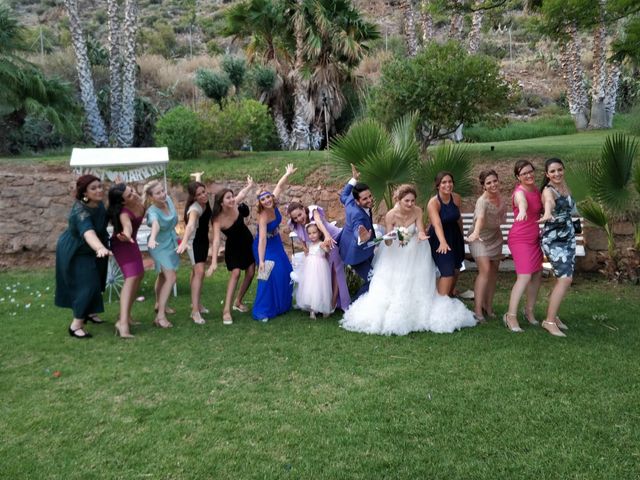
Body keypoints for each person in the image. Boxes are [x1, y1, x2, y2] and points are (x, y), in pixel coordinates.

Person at [340, 184, 476, 335]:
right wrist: (392, 237)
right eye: (407, 201)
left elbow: (421, 230)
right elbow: (388, 242)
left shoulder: (417, 211)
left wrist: (422, 235)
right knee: (394, 282)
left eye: (413, 201)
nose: (411, 204)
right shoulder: (391, 215)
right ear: (399, 200)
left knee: (417, 281)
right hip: (395, 253)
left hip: (417, 251)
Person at [55, 174, 111, 339]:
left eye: (100, 186)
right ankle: (76, 325)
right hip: (77, 250)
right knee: (87, 284)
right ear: (84, 193)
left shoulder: (98, 204)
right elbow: (88, 233)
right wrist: (99, 247)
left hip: (95, 249)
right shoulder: (81, 210)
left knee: (98, 280)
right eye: (93, 188)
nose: (99, 190)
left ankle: (90, 313)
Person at [208, 176, 256, 325]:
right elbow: (216, 241)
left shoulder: (235, 204)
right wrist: (214, 262)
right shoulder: (217, 219)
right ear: (221, 202)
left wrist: (249, 185)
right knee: (235, 273)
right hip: (233, 247)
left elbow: (242, 193)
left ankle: (238, 301)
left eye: (231, 196)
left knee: (251, 272)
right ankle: (226, 311)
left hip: (247, 242)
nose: (232, 199)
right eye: (228, 198)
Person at [252, 164, 296, 321]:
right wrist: (261, 260)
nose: (266, 200)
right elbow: (262, 239)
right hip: (264, 246)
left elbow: (279, 185)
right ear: (260, 203)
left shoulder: (274, 201)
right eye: (263, 199)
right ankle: (262, 310)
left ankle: (282, 305)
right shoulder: (263, 216)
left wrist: (287, 174)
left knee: (285, 270)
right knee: (266, 274)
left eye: (268, 197)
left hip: (276, 242)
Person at [287, 202, 350, 311]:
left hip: (332, 238)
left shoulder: (312, 210)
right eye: (295, 218)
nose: (298, 219)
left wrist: (326, 236)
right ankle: (325, 301)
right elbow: (299, 233)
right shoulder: (295, 223)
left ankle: (335, 302)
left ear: (303, 208)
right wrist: (304, 247)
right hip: (322, 243)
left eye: (300, 214)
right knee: (327, 271)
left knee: (336, 270)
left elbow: (319, 222)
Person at [504, 160, 543, 333]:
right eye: (524, 173)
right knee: (525, 276)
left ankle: (529, 311)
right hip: (520, 239)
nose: (528, 175)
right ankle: (510, 316)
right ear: (518, 177)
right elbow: (523, 204)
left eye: (530, 171)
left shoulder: (535, 189)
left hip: (534, 238)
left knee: (536, 275)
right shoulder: (519, 192)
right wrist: (521, 211)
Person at [539, 158, 575, 337]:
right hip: (554, 240)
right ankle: (549, 321)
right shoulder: (548, 191)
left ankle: (554, 315)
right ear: (547, 175)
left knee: (561, 278)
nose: (557, 174)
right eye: (552, 171)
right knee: (565, 279)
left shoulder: (565, 186)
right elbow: (549, 203)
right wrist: (547, 213)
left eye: (559, 170)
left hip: (568, 237)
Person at [466, 170, 507, 322]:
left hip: (495, 238)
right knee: (485, 270)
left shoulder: (501, 200)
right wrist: (476, 232)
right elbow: (481, 218)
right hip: (478, 238)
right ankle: (477, 311)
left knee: (494, 273)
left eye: (494, 181)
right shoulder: (481, 202)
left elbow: (501, 219)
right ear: (483, 186)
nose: (493, 185)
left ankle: (488, 306)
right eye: (488, 183)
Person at [107, 183, 146, 338]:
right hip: (122, 244)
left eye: (132, 191)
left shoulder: (138, 202)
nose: (134, 194)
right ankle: (122, 324)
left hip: (132, 243)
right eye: (129, 195)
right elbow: (127, 227)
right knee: (131, 278)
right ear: (123, 202)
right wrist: (127, 235)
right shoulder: (123, 213)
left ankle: (126, 316)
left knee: (139, 275)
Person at [144, 180, 179, 329]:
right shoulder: (152, 211)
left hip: (170, 242)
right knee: (171, 277)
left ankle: (159, 304)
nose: (162, 194)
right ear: (151, 197)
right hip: (158, 246)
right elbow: (156, 225)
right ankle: (160, 317)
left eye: (162, 191)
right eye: (157, 193)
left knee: (163, 275)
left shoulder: (169, 200)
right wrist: (152, 238)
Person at [338, 164, 376, 299]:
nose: (370, 200)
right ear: (357, 201)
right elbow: (357, 228)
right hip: (354, 253)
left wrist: (353, 179)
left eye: (370, 196)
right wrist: (361, 237)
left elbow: (344, 195)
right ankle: (355, 305)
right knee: (373, 279)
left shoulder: (349, 201)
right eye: (365, 199)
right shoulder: (357, 215)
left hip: (364, 246)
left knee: (377, 271)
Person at [176, 181, 212, 325]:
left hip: (203, 241)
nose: (203, 195)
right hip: (193, 243)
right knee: (199, 272)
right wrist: (184, 242)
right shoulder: (194, 209)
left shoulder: (206, 203)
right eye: (199, 194)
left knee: (195, 272)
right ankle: (195, 312)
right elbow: (190, 226)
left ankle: (196, 304)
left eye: (204, 191)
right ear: (194, 197)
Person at [427, 171, 466, 297]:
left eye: (450, 182)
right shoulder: (434, 203)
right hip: (439, 238)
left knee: (456, 269)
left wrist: (462, 236)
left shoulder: (456, 198)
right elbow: (437, 224)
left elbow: (458, 218)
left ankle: (449, 296)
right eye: (444, 182)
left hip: (455, 235)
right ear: (438, 185)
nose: (447, 185)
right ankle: (440, 305)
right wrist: (443, 242)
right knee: (447, 271)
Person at [295, 222, 333, 318]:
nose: (312, 235)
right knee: (311, 287)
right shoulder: (310, 245)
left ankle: (324, 308)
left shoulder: (321, 244)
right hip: (310, 269)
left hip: (320, 268)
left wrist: (326, 246)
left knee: (321, 287)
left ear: (319, 233)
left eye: (314, 233)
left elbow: (328, 251)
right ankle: (312, 310)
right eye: (309, 233)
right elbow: (308, 254)